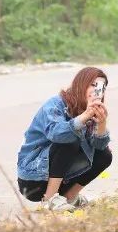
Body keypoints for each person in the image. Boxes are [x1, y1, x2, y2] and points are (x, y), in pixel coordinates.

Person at [16, 66, 112, 211]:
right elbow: (57, 134)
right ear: (81, 84)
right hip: (32, 179)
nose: (97, 90)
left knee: (105, 155)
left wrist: (102, 124)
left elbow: (99, 147)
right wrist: (83, 118)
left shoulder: (89, 108)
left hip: (61, 177)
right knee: (68, 139)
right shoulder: (55, 104)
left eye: (101, 87)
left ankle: (69, 197)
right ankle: (50, 200)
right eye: (93, 84)